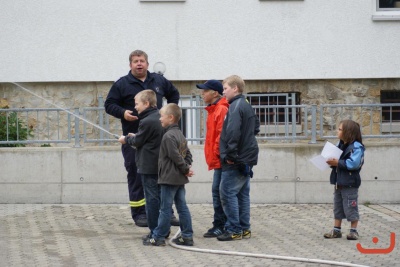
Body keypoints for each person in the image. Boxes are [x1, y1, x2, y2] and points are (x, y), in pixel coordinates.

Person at [104, 49, 180, 227]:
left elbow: (174, 95)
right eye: (135, 61)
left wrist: (167, 111)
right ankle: (140, 213)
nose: (139, 64)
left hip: (158, 139)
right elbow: (109, 105)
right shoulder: (122, 84)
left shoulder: (159, 81)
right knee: (136, 175)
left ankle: (167, 212)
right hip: (133, 139)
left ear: (147, 63)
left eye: (142, 61)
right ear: (130, 65)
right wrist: (123, 113)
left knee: (163, 174)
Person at [143, 103, 195, 247]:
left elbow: (176, 157)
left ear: (171, 118)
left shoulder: (167, 136)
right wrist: (187, 167)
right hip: (179, 178)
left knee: (165, 208)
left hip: (169, 178)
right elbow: (187, 154)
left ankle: (158, 237)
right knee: (182, 207)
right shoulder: (180, 134)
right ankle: (187, 236)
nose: (160, 119)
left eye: (162, 116)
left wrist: (185, 168)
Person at [117, 90, 164, 239]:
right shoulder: (158, 117)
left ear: (146, 103)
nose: (135, 107)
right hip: (159, 165)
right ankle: (162, 230)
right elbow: (146, 138)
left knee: (151, 200)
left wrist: (126, 140)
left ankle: (155, 233)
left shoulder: (147, 120)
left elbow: (138, 142)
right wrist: (136, 136)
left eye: (137, 104)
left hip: (149, 166)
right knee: (160, 198)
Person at [217, 75, 259, 242]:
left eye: (225, 88)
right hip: (247, 156)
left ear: (235, 88)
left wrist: (231, 155)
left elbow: (233, 132)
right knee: (242, 194)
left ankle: (234, 229)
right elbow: (256, 127)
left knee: (227, 193)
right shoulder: (246, 104)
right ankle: (244, 228)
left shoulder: (235, 106)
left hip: (237, 158)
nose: (223, 92)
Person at [196, 80, 229, 238]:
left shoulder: (221, 109)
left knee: (219, 192)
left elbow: (221, 135)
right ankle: (221, 224)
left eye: (205, 91)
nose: (202, 94)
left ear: (215, 93)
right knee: (218, 192)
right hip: (218, 160)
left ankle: (221, 225)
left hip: (220, 160)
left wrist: (216, 154)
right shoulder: (213, 109)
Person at [324, 119, 365, 240]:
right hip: (339, 182)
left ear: (348, 132)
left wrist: (337, 162)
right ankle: (336, 230)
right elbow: (335, 158)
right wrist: (329, 161)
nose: (338, 131)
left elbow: (354, 164)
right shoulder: (340, 144)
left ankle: (354, 231)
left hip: (350, 183)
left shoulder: (356, 147)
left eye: (340, 129)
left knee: (351, 206)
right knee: (338, 206)